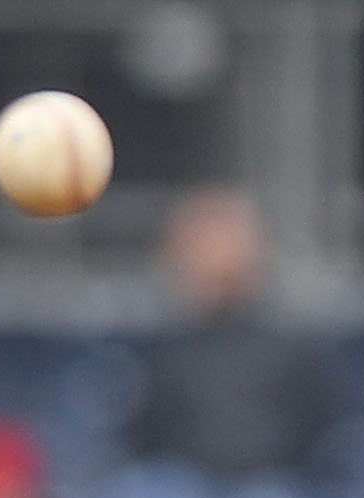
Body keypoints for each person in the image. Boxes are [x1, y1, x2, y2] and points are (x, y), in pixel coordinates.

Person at [125, 190, 339, 481]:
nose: (214, 259)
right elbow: (142, 443)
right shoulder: (164, 352)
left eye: (227, 244)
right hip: (182, 494)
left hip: (273, 496)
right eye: (198, 246)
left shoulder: (290, 348)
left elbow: (322, 439)